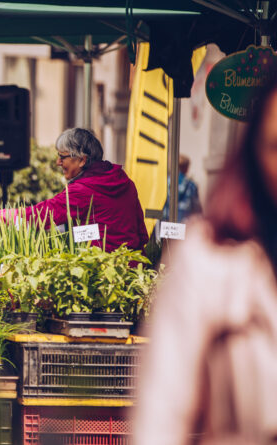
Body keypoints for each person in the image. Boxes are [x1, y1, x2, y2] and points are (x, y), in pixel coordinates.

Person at [132, 77, 277, 445]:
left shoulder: (180, 188)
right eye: (276, 146)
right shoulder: (212, 259)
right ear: (253, 153)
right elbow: (162, 414)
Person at [0, 128, 148, 252]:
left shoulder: (83, 191)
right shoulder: (125, 182)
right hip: (133, 271)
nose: (58, 162)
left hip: (103, 275)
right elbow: (142, 233)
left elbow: (37, 216)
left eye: (62, 157)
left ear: (82, 160)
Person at [162, 154, 202, 223]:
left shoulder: (165, 183)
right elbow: (197, 210)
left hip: (167, 223)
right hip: (185, 223)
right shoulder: (191, 185)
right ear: (186, 168)